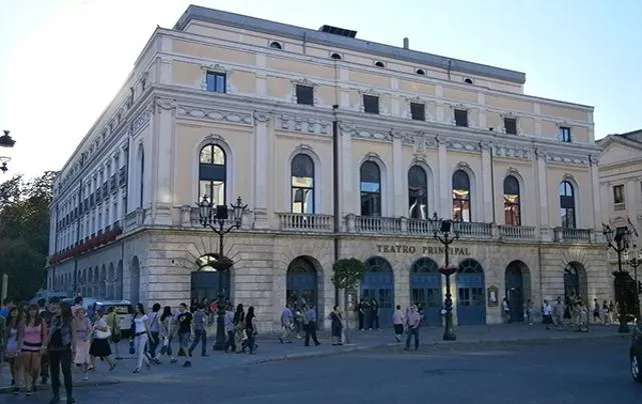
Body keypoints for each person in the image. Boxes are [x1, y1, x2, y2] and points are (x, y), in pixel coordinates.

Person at [44, 298, 76, 404]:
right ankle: (56, 395)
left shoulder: (70, 320)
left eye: (58, 308)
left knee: (66, 370)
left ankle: (69, 395)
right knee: (54, 372)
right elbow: (50, 333)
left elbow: (73, 334)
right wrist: (44, 346)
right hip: (53, 348)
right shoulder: (54, 319)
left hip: (65, 348)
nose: (56, 309)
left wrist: (74, 349)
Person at [17, 303, 48, 396]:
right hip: (26, 346)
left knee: (35, 368)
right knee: (27, 367)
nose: (32, 312)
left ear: (37, 311)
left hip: (37, 346)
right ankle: (28, 387)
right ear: (28, 311)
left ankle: (33, 381)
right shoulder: (24, 321)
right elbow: (20, 336)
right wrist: (19, 349)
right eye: (30, 310)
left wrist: (43, 347)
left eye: (34, 310)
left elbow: (45, 335)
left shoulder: (41, 321)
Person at [131, 303, 152, 373]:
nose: (136, 309)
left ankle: (138, 367)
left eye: (137, 308)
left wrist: (150, 337)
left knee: (140, 352)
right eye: (136, 308)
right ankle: (147, 361)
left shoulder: (144, 316)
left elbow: (147, 327)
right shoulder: (135, 315)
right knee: (137, 351)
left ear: (140, 308)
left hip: (143, 335)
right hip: (136, 335)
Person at [175, 303, 192, 367]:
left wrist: (192, 332)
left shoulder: (188, 314)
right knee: (184, 345)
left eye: (181, 307)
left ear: (184, 308)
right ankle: (186, 358)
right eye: (179, 307)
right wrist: (176, 332)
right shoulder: (179, 315)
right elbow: (178, 324)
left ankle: (188, 360)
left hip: (187, 331)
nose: (180, 308)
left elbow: (191, 323)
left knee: (183, 345)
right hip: (181, 331)